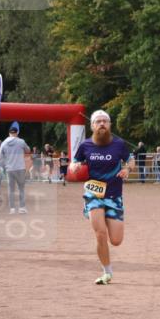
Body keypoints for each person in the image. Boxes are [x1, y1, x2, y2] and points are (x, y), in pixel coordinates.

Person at [68, 110, 133, 285]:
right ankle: (107, 272)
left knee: (116, 240)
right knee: (100, 234)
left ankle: (107, 267)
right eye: (98, 121)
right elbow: (75, 161)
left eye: (105, 121)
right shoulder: (85, 145)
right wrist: (74, 166)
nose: (102, 124)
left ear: (110, 125)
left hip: (114, 195)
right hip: (94, 193)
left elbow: (130, 159)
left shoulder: (119, 145)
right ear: (92, 126)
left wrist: (127, 169)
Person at [0, 124, 31, 214]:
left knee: (11, 189)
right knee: (21, 188)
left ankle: (12, 208)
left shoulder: (4, 143)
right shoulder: (21, 141)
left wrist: (4, 166)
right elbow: (28, 150)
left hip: (9, 169)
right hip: (20, 168)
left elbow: (0, 158)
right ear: (17, 133)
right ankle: (22, 208)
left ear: (9, 133)